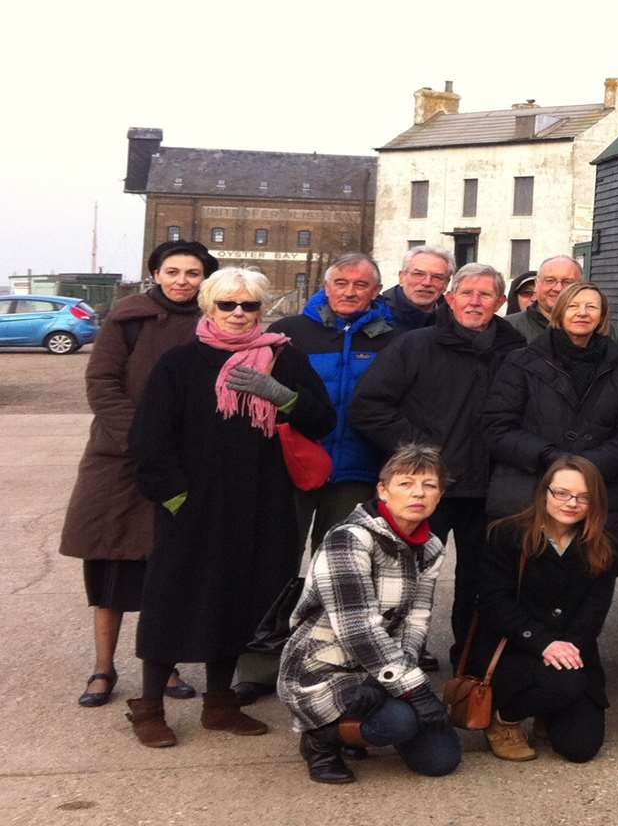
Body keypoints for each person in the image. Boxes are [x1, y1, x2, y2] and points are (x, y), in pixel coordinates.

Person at [124, 266, 333, 748]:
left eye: (250, 305)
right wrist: (175, 497)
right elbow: (150, 440)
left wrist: (279, 396)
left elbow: (321, 420)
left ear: (263, 309)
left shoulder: (283, 358)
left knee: (240, 597)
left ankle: (219, 703)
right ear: (208, 306)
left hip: (260, 501)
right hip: (191, 504)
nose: (239, 314)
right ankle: (149, 705)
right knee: (172, 597)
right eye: (228, 304)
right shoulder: (180, 363)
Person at [63, 240, 218, 708]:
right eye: (173, 271)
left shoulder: (212, 324)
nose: (182, 281)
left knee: (167, 568)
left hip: (182, 462)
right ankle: (103, 669)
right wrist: (143, 437)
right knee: (110, 569)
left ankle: (164, 664)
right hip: (120, 462)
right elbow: (102, 383)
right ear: (155, 272)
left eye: (192, 273)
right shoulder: (127, 319)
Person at [350, 263, 525, 660]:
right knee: (406, 578)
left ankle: (470, 666)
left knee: (481, 584)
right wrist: (421, 456)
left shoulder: (514, 353)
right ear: (450, 298)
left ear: (500, 302)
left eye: (485, 295)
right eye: (467, 293)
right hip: (425, 486)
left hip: (489, 489)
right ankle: (397, 659)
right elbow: (369, 407)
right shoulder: (416, 345)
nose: (475, 302)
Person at [277, 444, 460, 784]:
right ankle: (320, 741)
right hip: (322, 667)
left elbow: (416, 621)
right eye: (405, 483)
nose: (418, 493)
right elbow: (357, 630)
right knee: (400, 721)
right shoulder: (349, 540)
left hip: (382, 666)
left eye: (429, 485)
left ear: (440, 495)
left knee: (441, 759)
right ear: (383, 490)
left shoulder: (431, 547)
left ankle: (357, 728)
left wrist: (386, 680)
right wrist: (417, 692)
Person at [484, 281, 618, 573]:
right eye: (573, 306)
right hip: (530, 487)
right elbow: (498, 427)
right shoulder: (521, 362)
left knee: (591, 580)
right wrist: (549, 457)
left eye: (591, 307)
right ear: (559, 313)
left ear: (602, 316)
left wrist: (588, 466)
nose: (582, 313)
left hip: (598, 487)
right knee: (524, 580)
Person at [470, 456, 618, 763]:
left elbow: (594, 611)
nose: (571, 502)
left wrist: (568, 647)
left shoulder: (601, 546)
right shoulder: (507, 534)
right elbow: (495, 603)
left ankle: (546, 710)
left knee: (581, 748)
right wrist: (544, 642)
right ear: (545, 492)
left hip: (572, 651)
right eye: (561, 493)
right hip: (514, 649)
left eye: (583, 496)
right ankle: (505, 718)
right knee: (566, 682)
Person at [269, 252, 401, 555]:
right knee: (277, 556)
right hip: (294, 465)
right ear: (326, 287)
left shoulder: (395, 340)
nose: (349, 291)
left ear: (377, 291)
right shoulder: (288, 332)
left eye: (360, 284)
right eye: (340, 283)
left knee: (339, 562)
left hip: (358, 471)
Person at [503, 255, 582, 343]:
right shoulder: (508, 327)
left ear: (580, 286)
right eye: (550, 280)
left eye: (567, 282)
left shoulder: (592, 327)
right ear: (537, 284)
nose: (558, 288)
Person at [381, 244, 453, 332]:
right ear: (402, 277)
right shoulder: (373, 315)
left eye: (437, 277)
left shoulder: (454, 321)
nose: (427, 283)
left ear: (446, 284)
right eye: (418, 274)